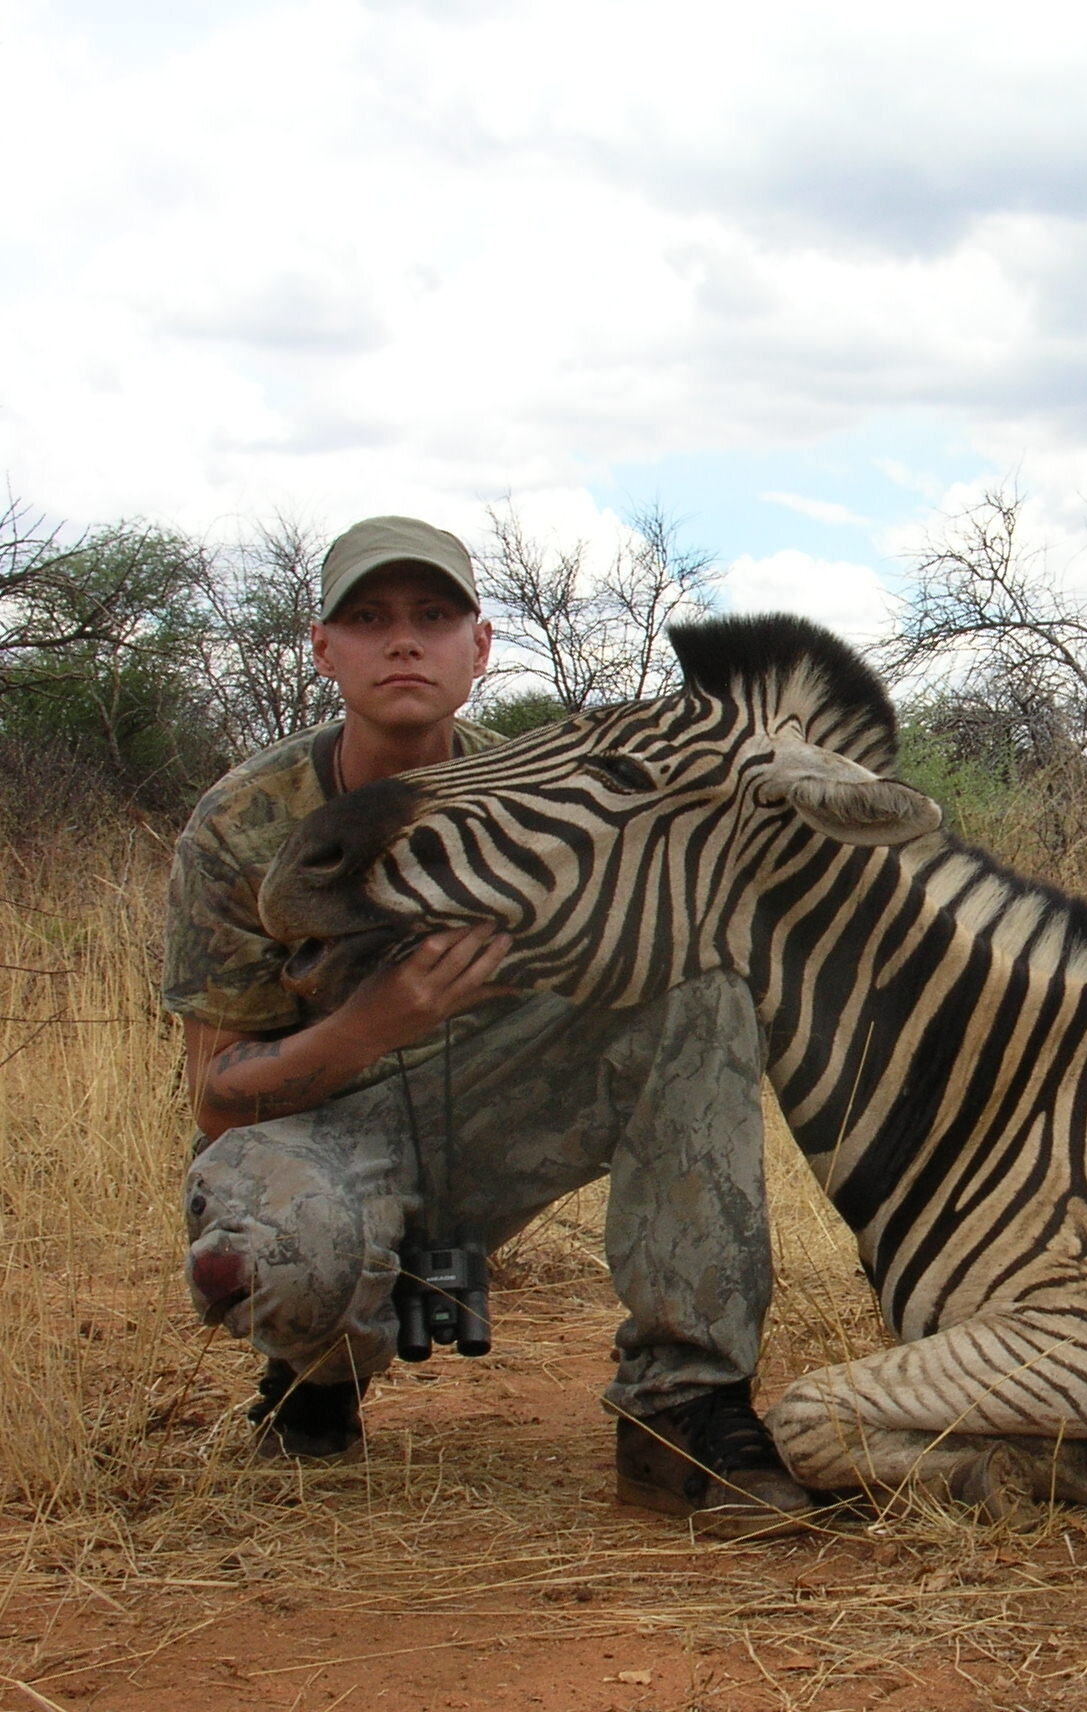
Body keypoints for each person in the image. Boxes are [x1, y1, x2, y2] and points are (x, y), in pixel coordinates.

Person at [165, 514, 810, 1534]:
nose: (404, 641)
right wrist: (371, 1024)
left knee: (699, 982)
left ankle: (682, 1406)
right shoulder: (245, 820)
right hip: (318, 1127)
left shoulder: (528, 787)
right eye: (368, 619)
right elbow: (214, 1093)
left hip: (494, 1110)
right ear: (324, 650)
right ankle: (314, 1377)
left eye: (433, 614)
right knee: (280, 1257)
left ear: (479, 645)